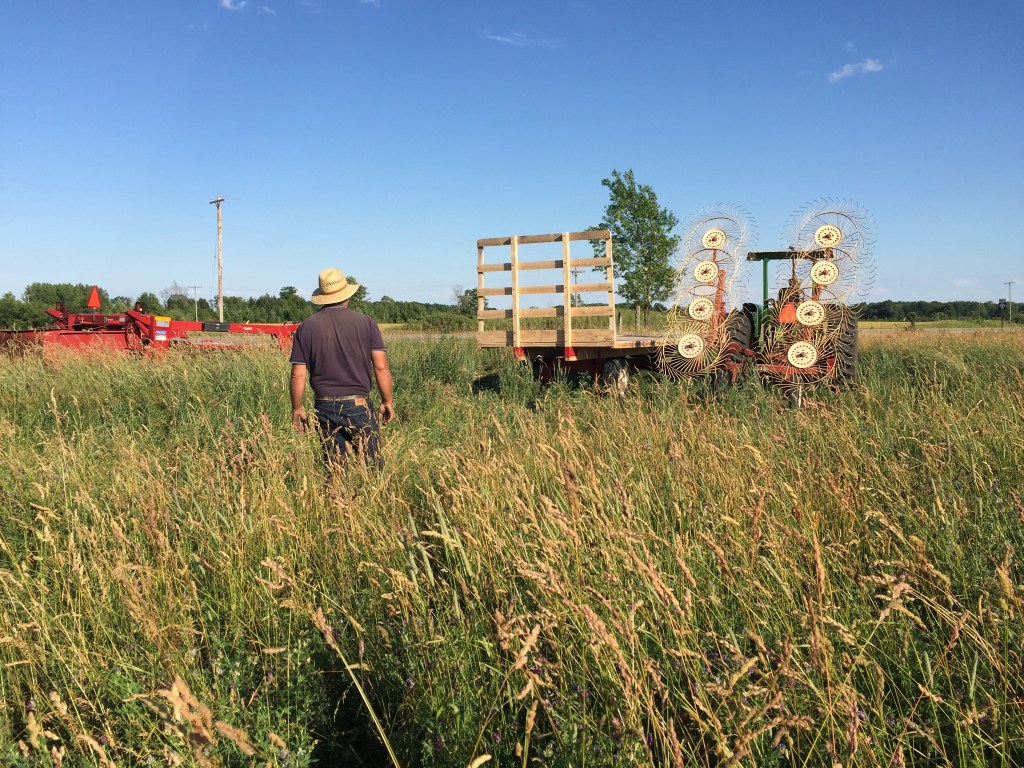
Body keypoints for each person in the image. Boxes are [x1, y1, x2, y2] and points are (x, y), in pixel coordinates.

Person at [289, 267, 394, 464]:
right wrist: (387, 400)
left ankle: (336, 495)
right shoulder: (366, 323)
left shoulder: (306, 327)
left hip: (324, 405)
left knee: (335, 469)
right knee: (372, 466)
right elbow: (381, 368)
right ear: (347, 295)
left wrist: (297, 408)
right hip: (358, 405)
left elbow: (298, 375)